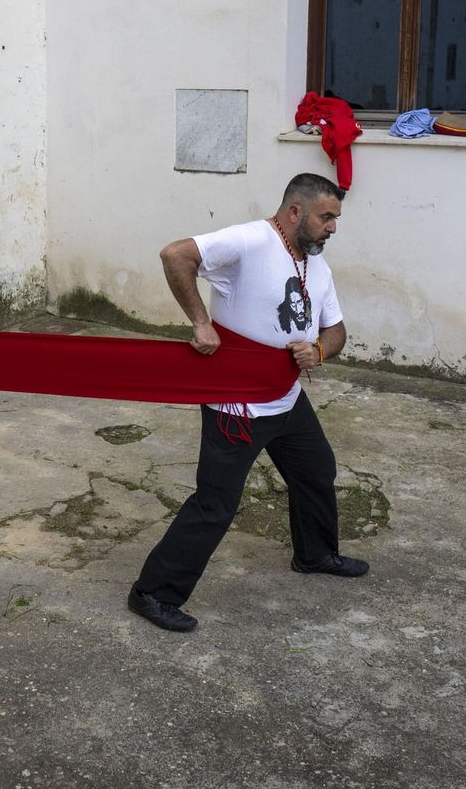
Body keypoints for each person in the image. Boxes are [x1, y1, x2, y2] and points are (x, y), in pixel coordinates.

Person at [128, 172, 367, 632]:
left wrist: (318, 350)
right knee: (216, 502)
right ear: (295, 211)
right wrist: (201, 322)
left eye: (335, 218)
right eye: (326, 217)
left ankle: (315, 554)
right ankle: (153, 593)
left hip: (285, 397)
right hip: (236, 404)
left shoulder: (318, 266)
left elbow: (335, 330)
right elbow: (175, 255)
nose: (333, 227)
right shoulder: (250, 241)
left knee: (317, 469)